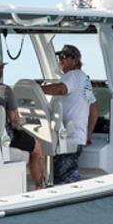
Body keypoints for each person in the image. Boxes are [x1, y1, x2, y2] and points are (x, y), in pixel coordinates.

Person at [0, 51, 45, 186]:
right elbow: (14, 121)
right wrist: (23, 122)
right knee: (36, 146)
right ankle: (40, 187)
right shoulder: (4, 89)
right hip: (3, 139)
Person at [38, 42, 93, 184]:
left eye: (65, 56)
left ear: (75, 60)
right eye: (60, 56)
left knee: (66, 181)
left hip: (67, 138)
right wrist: (88, 133)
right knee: (65, 177)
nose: (61, 59)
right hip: (77, 137)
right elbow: (94, 107)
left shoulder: (72, 75)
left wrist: (37, 89)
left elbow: (61, 89)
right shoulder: (84, 79)